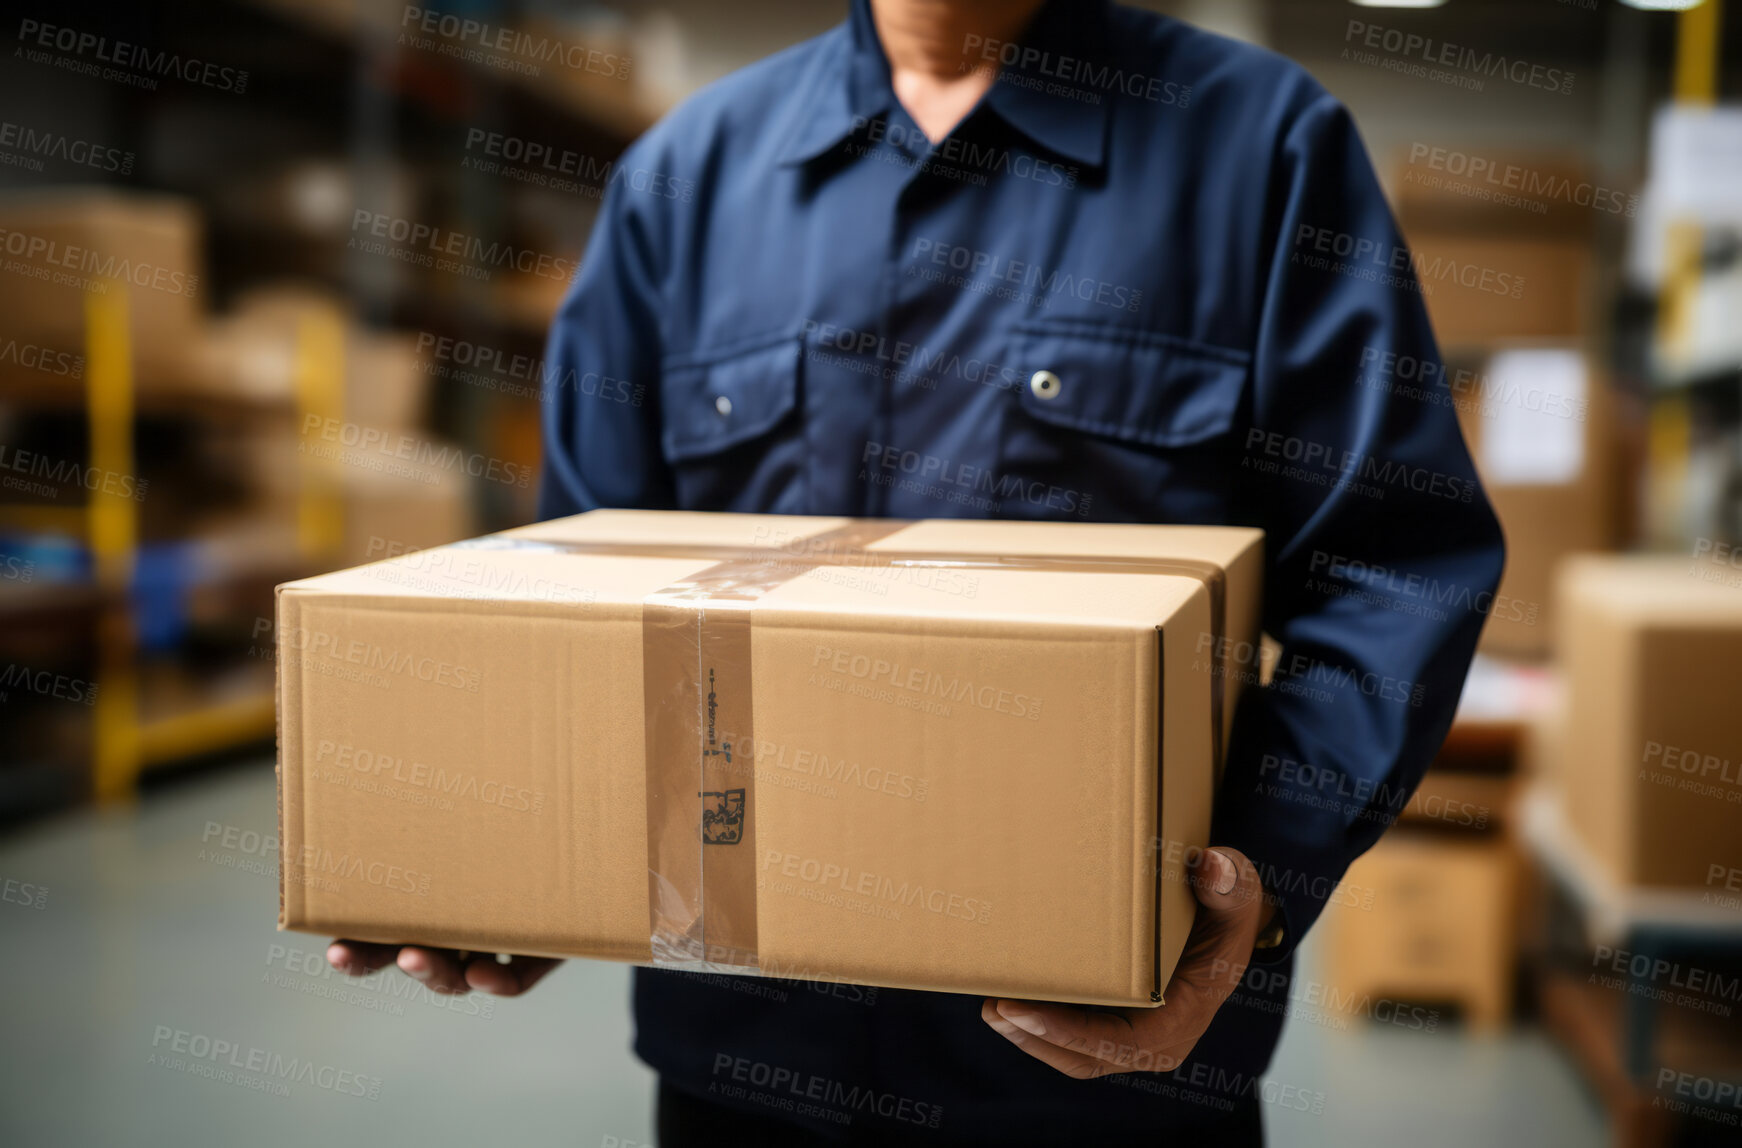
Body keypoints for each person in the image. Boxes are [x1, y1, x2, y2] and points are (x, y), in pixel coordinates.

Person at [328, 0, 1505, 1142]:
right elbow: (588, 592)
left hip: (1107, 1068)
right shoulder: (683, 177)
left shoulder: (1260, 148)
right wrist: (535, 858)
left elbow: (1391, 566)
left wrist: (1247, 882)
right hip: (746, 1055)